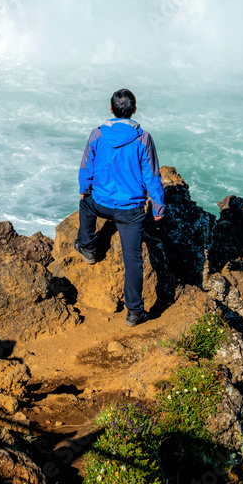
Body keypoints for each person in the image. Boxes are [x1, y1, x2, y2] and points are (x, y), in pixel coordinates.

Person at [75, 88, 165, 326]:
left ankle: (88, 247)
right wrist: (158, 209)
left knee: (85, 204)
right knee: (133, 260)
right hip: (131, 212)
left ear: (111, 109)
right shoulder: (143, 138)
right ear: (134, 110)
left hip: (101, 205)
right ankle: (134, 312)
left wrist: (85, 190)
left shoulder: (97, 134)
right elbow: (152, 176)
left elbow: (86, 169)